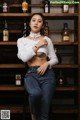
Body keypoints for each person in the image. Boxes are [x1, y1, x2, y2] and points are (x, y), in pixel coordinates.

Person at [17, 13, 58, 120]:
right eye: (34, 20)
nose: (36, 23)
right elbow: (25, 58)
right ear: (29, 23)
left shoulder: (47, 40)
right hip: (31, 75)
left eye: (39, 21)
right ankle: (34, 116)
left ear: (42, 25)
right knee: (35, 94)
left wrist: (47, 64)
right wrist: (38, 45)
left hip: (48, 75)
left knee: (44, 113)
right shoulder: (21, 40)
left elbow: (55, 59)